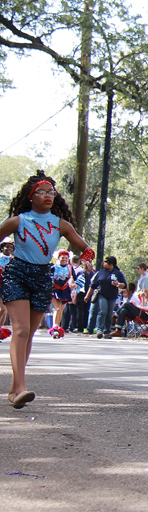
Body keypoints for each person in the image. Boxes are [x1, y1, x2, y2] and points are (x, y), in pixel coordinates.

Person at [0, 170, 93, 408]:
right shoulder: (18, 221)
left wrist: (87, 257)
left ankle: (14, 388)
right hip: (17, 274)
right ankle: (20, 386)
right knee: (20, 329)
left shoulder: (60, 224)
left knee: (29, 333)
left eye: (51, 192)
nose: (47, 195)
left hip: (43, 278)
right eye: (41, 192)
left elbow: (84, 247)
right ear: (30, 197)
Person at [86, 256, 126, 338]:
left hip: (112, 295)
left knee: (109, 313)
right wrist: (87, 295)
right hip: (102, 294)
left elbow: (124, 285)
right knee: (102, 311)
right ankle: (99, 330)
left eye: (106, 262)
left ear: (111, 264)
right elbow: (93, 285)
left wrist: (117, 284)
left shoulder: (118, 273)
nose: (104, 263)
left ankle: (107, 331)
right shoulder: (100, 272)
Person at [50, 249, 75, 329]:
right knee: (57, 308)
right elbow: (48, 277)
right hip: (54, 289)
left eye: (66, 258)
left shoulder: (70, 268)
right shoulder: (53, 267)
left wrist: (74, 284)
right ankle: (54, 327)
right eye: (62, 258)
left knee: (61, 309)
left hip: (65, 289)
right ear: (58, 258)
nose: (64, 260)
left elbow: (76, 278)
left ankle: (57, 327)